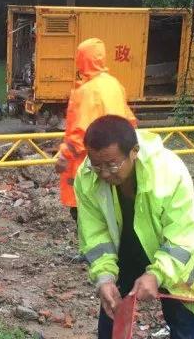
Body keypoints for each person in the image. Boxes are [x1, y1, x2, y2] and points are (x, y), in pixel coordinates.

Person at [75, 114, 194, 339]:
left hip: (172, 252)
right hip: (124, 246)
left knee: (181, 315)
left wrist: (157, 274)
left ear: (133, 152)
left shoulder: (168, 171)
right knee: (111, 307)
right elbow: (93, 233)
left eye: (112, 164)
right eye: (97, 164)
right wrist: (105, 276)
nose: (104, 173)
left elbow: (183, 233)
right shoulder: (87, 175)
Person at [56, 38, 137, 219]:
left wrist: (64, 156)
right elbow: (129, 121)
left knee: (89, 218)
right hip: (117, 162)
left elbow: (80, 133)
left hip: (90, 166)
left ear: (82, 59)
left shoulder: (87, 91)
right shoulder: (114, 85)